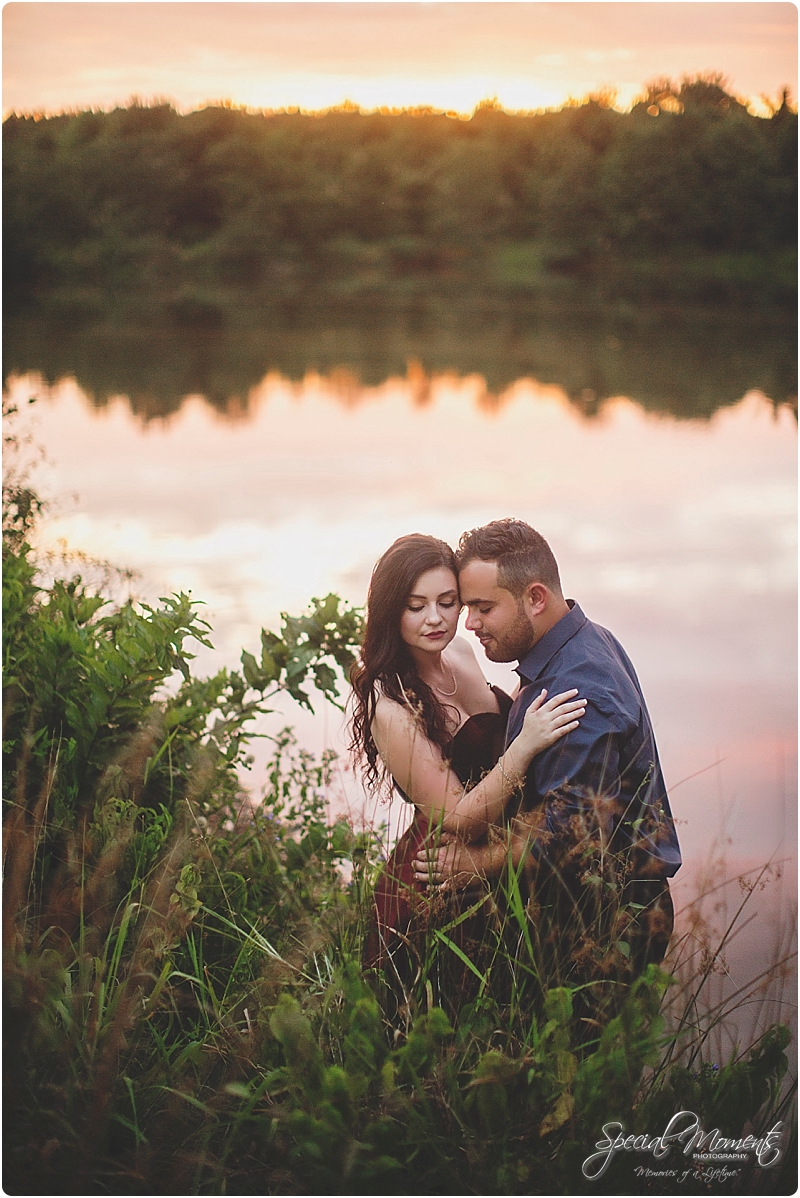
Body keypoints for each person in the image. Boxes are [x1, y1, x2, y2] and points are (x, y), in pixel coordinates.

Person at [413, 518, 681, 981]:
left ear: (535, 598)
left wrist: (473, 863)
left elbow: (573, 836)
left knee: (578, 1053)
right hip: (583, 908)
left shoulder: (577, 692)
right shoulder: (585, 641)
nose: (469, 623)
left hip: (604, 920)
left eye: (483, 607)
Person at [348, 533, 586, 1004]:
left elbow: (491, 729)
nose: (435, 618)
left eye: (448, 601)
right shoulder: (389, 703)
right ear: (391, 610)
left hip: (496, 865)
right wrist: (525, 745)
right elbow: (458, 816)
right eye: (415, 606)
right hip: (440, 880)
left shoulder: (457, 651)